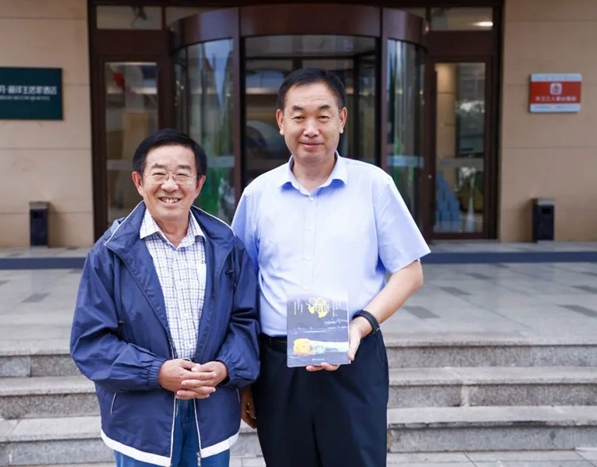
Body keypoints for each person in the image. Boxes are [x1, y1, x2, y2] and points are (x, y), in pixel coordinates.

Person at [232, 68, 430, 467]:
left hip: (353, 358)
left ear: (341, 119)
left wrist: (359, 326)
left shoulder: (374, 185)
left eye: (323, 116)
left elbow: (410, 273)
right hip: (277, 365)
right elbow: (240, 287)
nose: (311, 128)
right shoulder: (258, 195)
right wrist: (244, 378)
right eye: (299, 116)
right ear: (281, 121)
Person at [71, 129, 260, 467]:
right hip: (141, 419)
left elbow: (246, 319)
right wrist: (156, 371)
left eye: (182, 174)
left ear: (199, 184)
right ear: (139, 181)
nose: (170, 185)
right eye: (158, 173)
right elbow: (91, 342)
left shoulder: (227, 246)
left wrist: (225, 367)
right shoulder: (110, 252)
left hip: (211, 411)